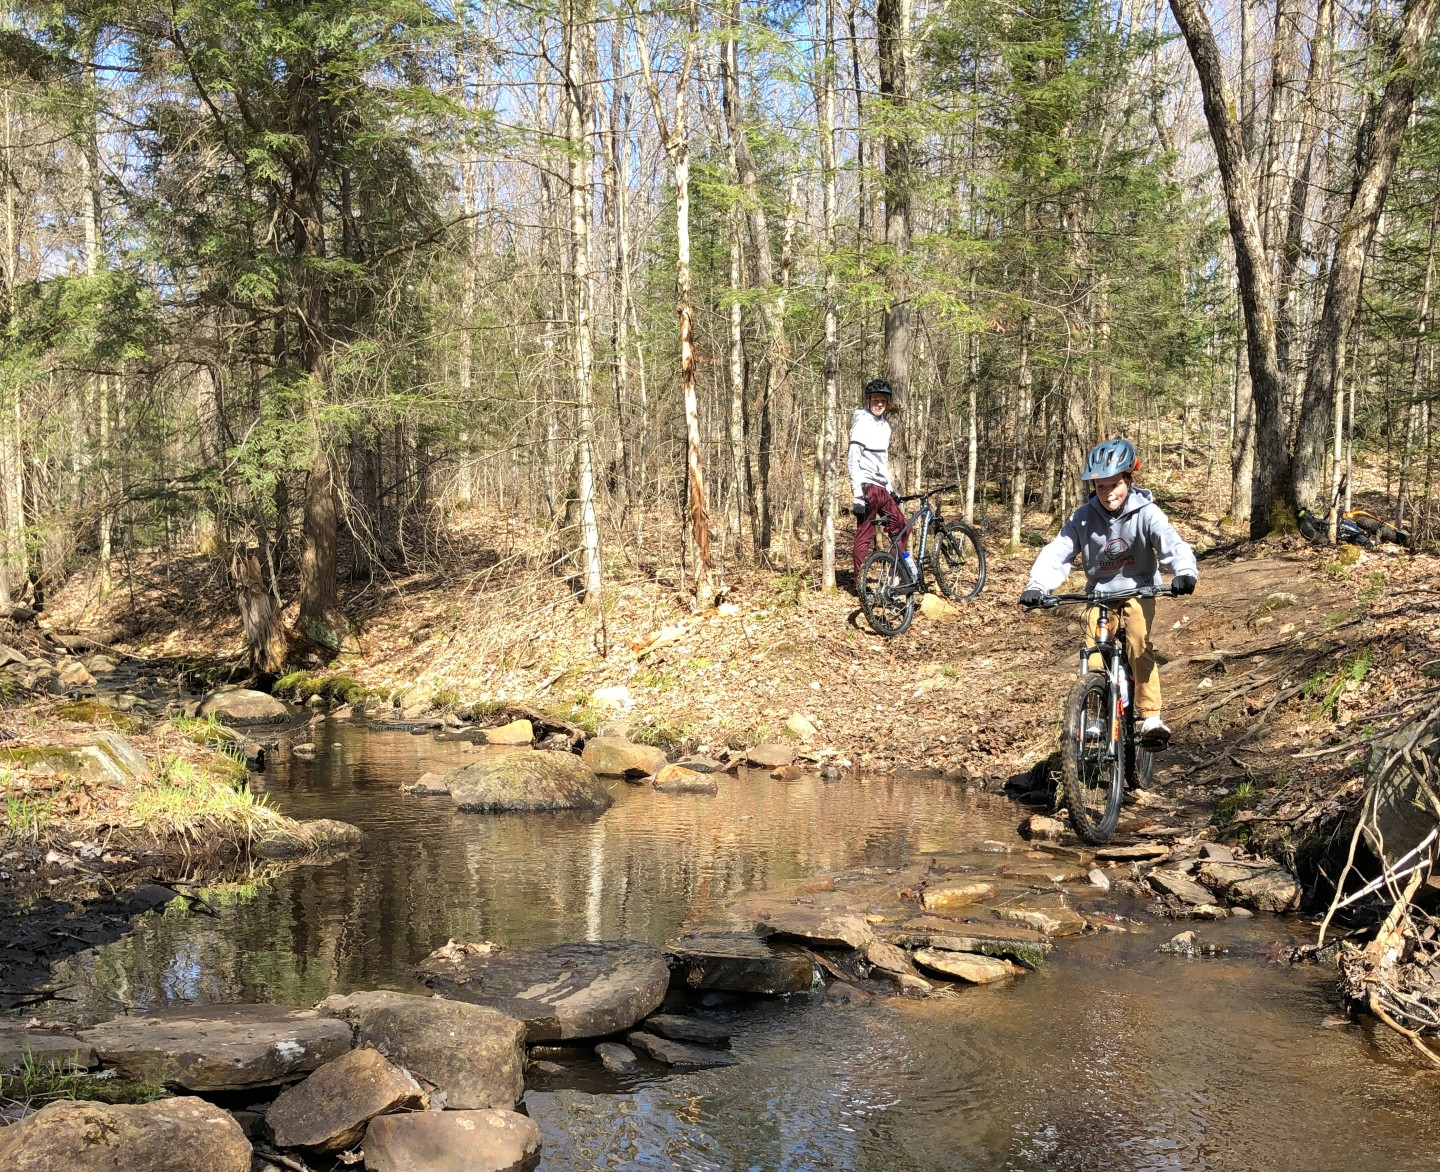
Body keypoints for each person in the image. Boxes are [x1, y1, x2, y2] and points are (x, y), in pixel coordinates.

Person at [1018, 438, 1197, 749]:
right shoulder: (1083, 517)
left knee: (1138, 639)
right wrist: (1037, 585)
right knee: (1093, 647)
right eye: (1101, 487)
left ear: (1128, 479)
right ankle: (1098, 714)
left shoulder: (1147, 512)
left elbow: (1171, 543)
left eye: (1114, 485)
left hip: (1140, 589)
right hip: (1099, 595)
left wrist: (1184, 572)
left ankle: (1151, 715)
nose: (1108, 494)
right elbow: (1058, 551)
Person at [848, 378, 911, 583]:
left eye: (883, 401)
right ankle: (860, 583)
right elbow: (853, 459)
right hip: (867, 487)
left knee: (902, 527)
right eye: (875, 400)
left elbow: (881, 461)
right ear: (868, 400)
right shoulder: (861, 422)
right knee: (865, 535)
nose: (879, 404)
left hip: (881, 488)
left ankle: (893, 577)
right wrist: (858, 494)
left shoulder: (884, 426)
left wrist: (890, 487)